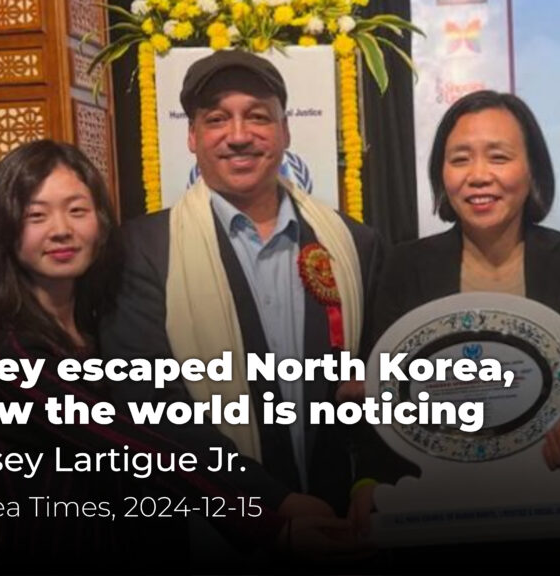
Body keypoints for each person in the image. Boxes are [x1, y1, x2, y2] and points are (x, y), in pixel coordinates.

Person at [0, 140, 359, 571]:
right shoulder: (6, 351)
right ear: (5, 227)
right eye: (37, 215)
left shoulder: (98, 320)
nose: (61, 230)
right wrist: (273, 521)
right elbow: (135, 446)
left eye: (77, 210)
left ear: (101, 221)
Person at [99, 49, 384, 527]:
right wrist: (273, 507)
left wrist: (370, 480)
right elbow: (151, 407)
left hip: (347, 523)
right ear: (192, 136)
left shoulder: (354, 244)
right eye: (216, 119)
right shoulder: (142, 251)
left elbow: (384, 381)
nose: (238, 135)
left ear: (285, 131)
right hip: (221, 526)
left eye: (258, 116)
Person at [351, 90, 560, 527]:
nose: (479, 176)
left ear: (533, 169)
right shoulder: (405, 267)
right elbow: (381, 400)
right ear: (441, 173)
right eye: (460, 159)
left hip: (556, 507)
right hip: (435, 510)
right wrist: (369, 476)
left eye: (498, 157)